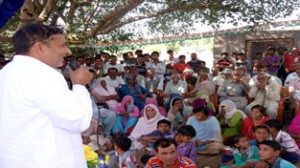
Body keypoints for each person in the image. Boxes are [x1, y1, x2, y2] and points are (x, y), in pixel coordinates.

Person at [0, 24, 93, 168]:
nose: (67, 51)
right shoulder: (43, 75)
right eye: (62, 45)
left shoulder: (6, 72)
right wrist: (79, 85)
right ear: (40, 48)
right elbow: (78, 120)